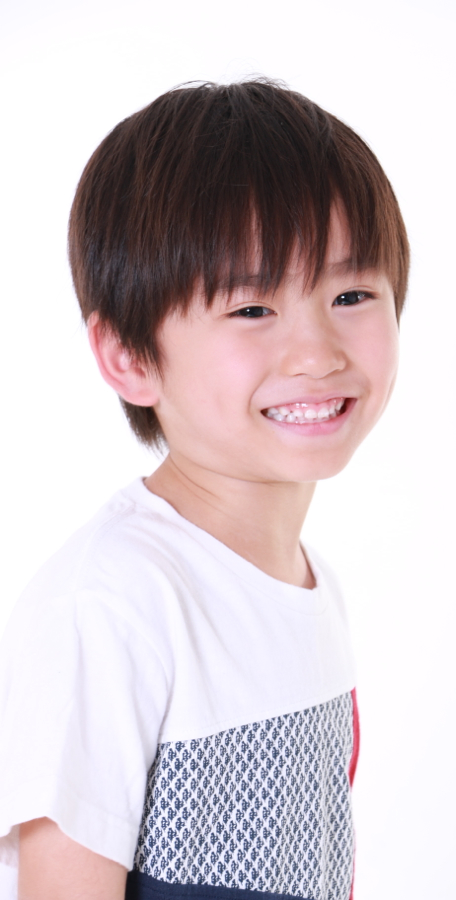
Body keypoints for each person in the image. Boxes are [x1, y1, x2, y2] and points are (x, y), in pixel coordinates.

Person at [0, 79, 409, 900]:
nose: (317, 352)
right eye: (253, 308)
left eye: (350, 295)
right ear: (129, 357)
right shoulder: (112, 604)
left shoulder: (314, 583)